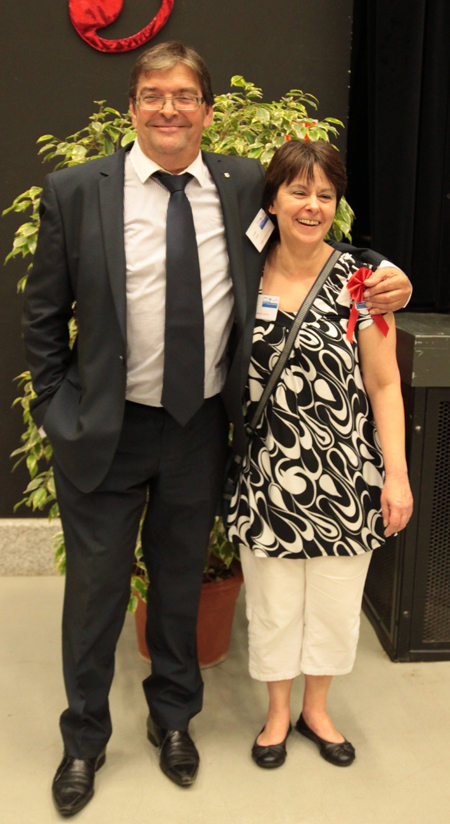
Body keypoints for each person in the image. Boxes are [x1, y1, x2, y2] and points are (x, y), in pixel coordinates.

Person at [22, 41, 411, 815]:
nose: (169, 109)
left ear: (206, 110)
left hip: (198, 427)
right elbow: (42, 319)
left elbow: (309, 231)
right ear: (133, 106)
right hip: (104, 430)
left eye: (184, 96)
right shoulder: (75, 191)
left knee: (177, 585)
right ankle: (85, 740)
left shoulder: (238, 187)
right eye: (154, 94)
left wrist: (380, 268)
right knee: (95, 594)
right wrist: (59, 413)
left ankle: (174, 721)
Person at [226, 139, 413, 769]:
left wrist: (397, 477)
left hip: (346, 476)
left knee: (334, 602)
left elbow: (384, 384)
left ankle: (317, 709)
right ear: (273, 200)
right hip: (265, 478)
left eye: (325, 195)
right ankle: (278, 711)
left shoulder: (363, 282)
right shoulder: (243, 274)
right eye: (298, 191)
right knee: (274, 604)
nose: (312, 206)